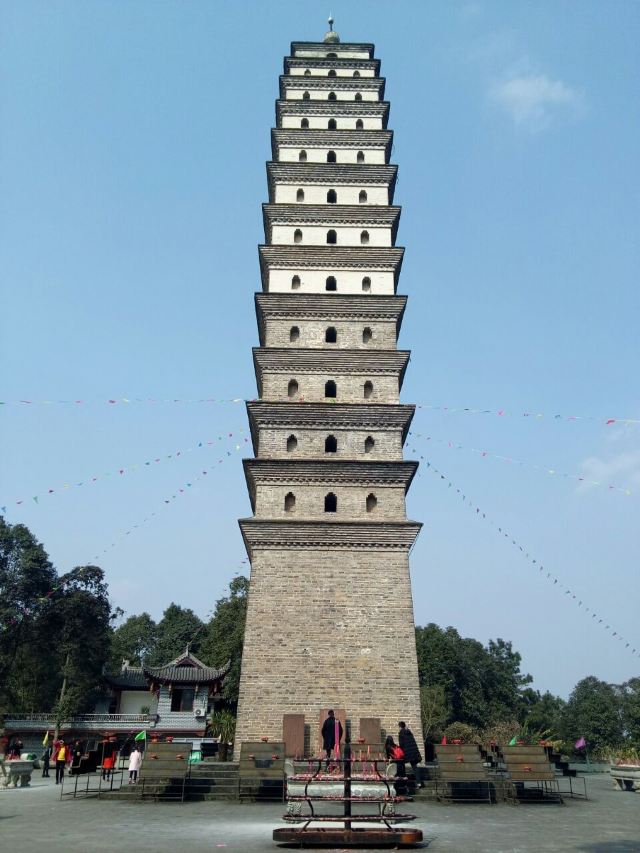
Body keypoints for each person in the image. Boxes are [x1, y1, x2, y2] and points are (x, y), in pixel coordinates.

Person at [398, 721, 424, 788]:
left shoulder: (401, 733)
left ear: (400, 726)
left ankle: (403, 782)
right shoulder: (409, 732)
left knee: (401, 765)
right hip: (414, 752)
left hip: (407, 753)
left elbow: (401, 744)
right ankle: (419, 783)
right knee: (415, 767)